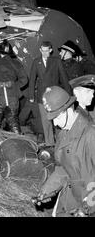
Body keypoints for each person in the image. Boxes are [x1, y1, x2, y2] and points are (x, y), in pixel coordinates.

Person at [36, 86, 95, 217]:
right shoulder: (63, 135)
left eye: (57, 117)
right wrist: (47, 190)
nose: (55, 123)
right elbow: (63, 168)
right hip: (70, 199)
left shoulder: (91, 134)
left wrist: (87, 207)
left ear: (69, 109)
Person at [28, 41, 71, 146]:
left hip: (55, 95)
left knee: (58, 119)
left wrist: (69, 93)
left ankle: (62, 142)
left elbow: (64, 78)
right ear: (40, 50)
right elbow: (32, 80)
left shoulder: (56, 61)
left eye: (47, 51)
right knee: (46, 120)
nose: (44, 53)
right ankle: (50, 143)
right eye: (43, 51)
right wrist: (31, 95)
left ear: (50, 50)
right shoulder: (36, 62)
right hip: (42, 97)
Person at [0, 40, 28, 134]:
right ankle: (19, 143)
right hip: (12, 99)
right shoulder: (16, 63)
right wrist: (14, 86)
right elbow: (24, 80)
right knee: (14, 124)